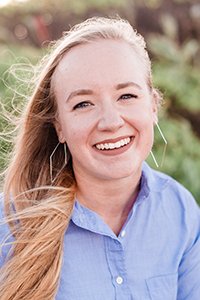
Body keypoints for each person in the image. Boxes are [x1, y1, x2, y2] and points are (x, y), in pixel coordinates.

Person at [0, 16, 200, 300]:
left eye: (127, 96)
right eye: (83, 104)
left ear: (153, 106)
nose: (110, 121)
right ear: (59, 127)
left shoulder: (181, 212)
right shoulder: (10, 226)